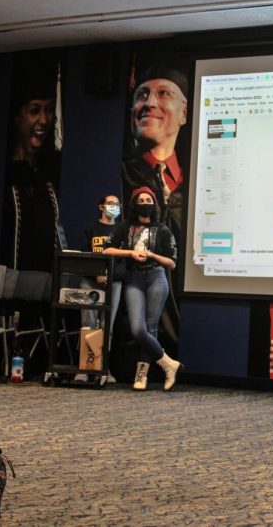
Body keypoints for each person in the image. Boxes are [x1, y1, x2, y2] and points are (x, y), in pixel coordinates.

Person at [103, 187, 182, 391]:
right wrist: (130, 253)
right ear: (134, 204)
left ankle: (142, 375)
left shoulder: (163, 229)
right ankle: (168, 364)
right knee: (138, 329)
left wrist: (152, 255)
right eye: (141, 199)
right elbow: (107, 249)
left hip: (156, 277)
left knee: (151, 328)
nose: (145, 202)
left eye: (148, 200)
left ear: (154, 204)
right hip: (133, 278)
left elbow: (172, 263)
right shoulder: (125, 226)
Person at [1, 70, 63, 272]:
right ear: (18, 117)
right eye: (35, 110)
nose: (44, 120)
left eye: (50, 110)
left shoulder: (49, 182)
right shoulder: (5, 180)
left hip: (42, 283)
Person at [121, 65, 189, 245]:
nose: (150, 103)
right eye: (142, 95)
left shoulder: (193, 179)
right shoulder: (120, 174)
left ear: (184, 113)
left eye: (164, 93)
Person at [78, 193, 124, 383]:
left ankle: (104, 369)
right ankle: (85, 368)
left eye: (117, 204)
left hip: (114, 283)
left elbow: (124, 261)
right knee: (88, 325)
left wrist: (111, 276)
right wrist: (96, 275)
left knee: (108, 328)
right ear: (101, 207)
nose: (114, 206)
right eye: (110, 203)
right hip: (91, 282)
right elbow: (84, 257)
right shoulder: (91, 228)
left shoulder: (122, 230)